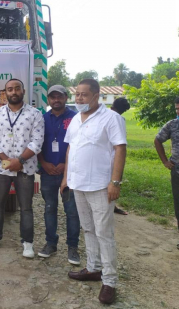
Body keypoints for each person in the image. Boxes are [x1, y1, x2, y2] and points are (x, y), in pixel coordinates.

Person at [61, 79, 127, 305]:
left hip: (100, 185)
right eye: (77, 94)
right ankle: (93, 268)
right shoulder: (75, 120)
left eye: (84, 95)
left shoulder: (111, 118)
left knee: (103, 233)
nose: (79, 98)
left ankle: (109, 281)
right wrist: (65, 178)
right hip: (78, 184)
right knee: (87, 228)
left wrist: (115, 182)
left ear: (96, 95)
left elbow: (120, 148)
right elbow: (70, 148)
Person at [0, 78, 44, 258]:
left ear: (23, 91)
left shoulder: (35, 114)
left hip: (26, 168)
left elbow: (37, 141)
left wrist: (20, 161)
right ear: (5, 93)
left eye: (17, 88)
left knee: (26, 207)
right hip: (2, 168)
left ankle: (27, 242)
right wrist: (8, 161)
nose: (14, 92)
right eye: (10, 89)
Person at [37, 85, 80, 265]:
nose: (56, 100)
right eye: (52, 97)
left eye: (59, 97)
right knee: (49, 209)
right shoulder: (41, 119)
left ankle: (72, 248)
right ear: (48, 99)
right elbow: (36, 143)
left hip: (68, 174)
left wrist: (66, 165)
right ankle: (50, 243)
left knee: (72, 211)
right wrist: (44, 163)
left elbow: (78, 144)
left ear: (65, 97)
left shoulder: (75, 118)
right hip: (47, 172)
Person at [154, 97, 179, 237]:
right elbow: (157, 140)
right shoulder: (172, 125)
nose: (178, 112)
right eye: (177, 109)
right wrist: (165, 161)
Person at [111, 97, 131, 215]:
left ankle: (112, 206)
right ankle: (111, 206)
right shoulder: (118, 118)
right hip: (114, 156)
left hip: (112, 156)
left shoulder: (107, 115)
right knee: (114, 182)